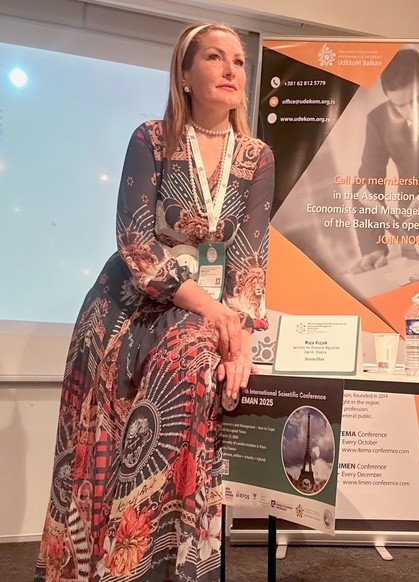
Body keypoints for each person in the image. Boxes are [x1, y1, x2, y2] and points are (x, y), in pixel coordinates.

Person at [34, 22, 275, 582]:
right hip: (126, 310)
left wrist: (238, 340)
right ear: (184, 75)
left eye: (239, 61)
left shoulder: (257, 156)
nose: (231, 69)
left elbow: (251, 259)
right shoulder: (152, 138)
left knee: (194, 385)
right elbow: (137, 245)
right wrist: (213, 311)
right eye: (214, 57)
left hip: (204, 316)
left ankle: (158, 565)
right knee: (100, 448)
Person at [351, 48, 419, 273]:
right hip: (414, 231)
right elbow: (366, 184)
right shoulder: (379, 120)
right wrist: (374, 247)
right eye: (400, 106)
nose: (413, 112)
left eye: (418, 99)